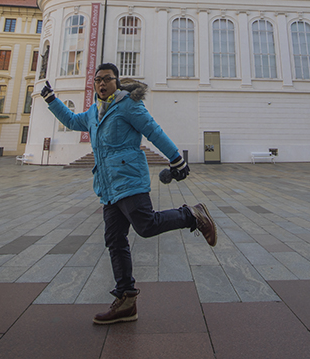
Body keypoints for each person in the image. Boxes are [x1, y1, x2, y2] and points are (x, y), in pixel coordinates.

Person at [40, 62, 217, 325]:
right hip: (108, 187)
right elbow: (70, 120)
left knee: (146, 226)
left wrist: (176, 159)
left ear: (117, 81)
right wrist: (51, 99)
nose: (101, 83)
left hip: (129, 180)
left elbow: (153, 131)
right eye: (98, 80)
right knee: (114, 239)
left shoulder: (127, 105)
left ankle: (192, 215)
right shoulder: (93, 113)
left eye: (107, 79)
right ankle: (126, 299)